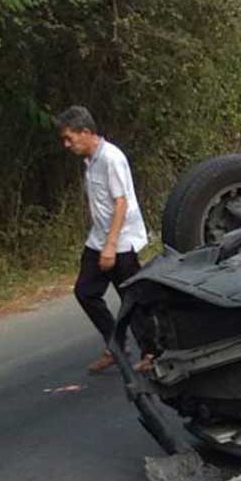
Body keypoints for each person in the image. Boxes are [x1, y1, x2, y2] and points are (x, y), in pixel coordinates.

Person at [55, 106, 150, 373]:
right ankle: (115, 344)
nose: (67, 145)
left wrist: (110, 246)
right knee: (85, 292)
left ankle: (152, 352)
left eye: (69, 138)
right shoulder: (90, 161)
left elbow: (121, 202)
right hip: (98, 239)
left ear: (86, 132)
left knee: (132, 298)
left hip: (121, 241)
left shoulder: (111, 158)